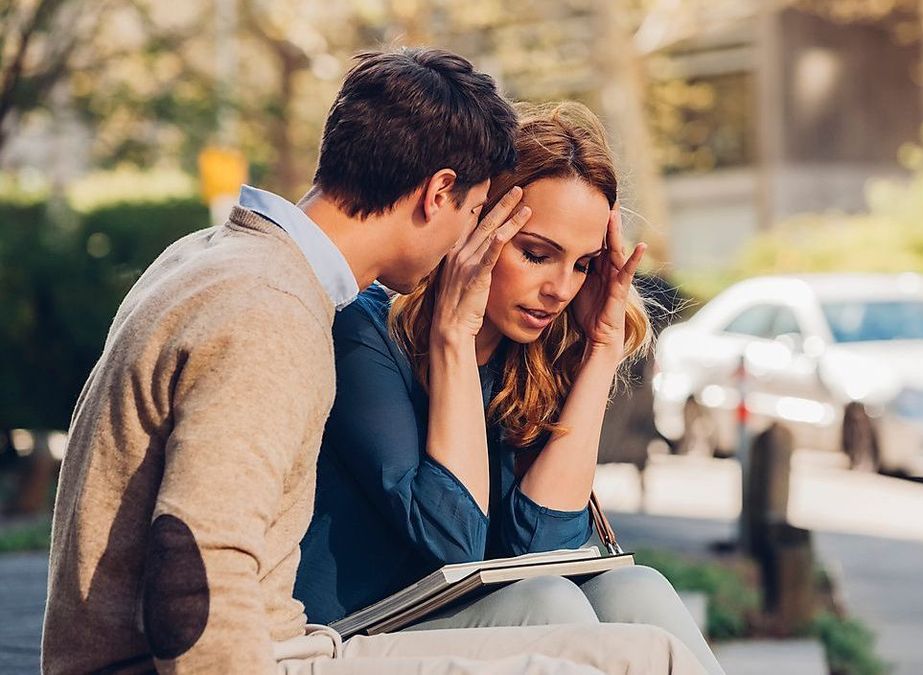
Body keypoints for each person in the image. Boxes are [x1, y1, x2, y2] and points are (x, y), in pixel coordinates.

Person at [41, 49, 705, 675]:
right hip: (278, 652)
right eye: (477, 211)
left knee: (636, 612)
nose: (465, 241)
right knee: (634, 653)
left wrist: (599, 347)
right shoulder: (271, 309)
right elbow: (198, 569)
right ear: (438, 194)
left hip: (282, 643)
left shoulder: (225, 264)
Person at [295, 102, 725, 675]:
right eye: (537, 254)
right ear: (477, 227)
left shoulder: (535, 356)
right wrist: (453, 338)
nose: (560, 290)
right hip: (353, 631)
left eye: (582, 266)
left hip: (475, 614)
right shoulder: (363, 329)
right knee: (547, 604)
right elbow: (450, 541)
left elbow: (544, 551)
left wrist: (602, 349)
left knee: (636, 592)